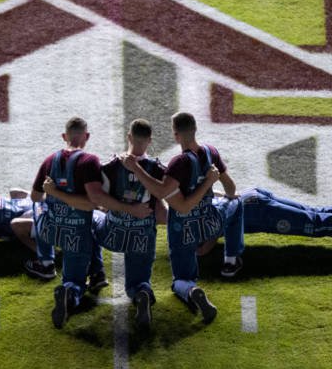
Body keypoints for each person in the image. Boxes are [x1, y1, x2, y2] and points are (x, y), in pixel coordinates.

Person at [122, 112, 243, 324]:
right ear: (195, 129)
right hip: (209, 220)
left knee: (181, 279)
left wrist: (136, 168)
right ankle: (231, 260)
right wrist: (217, 192)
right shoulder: (211, 152)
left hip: (183, 229)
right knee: (235, 204)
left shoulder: (179, 163)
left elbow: (162, 193)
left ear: (176, 135)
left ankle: (192, 290)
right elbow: (232, 189)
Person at [87, 119, 164, 331]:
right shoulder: (158, 170)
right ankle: (141, 293)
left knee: (88, 219)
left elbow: (97, 200)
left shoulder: (109, 167)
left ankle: (96, 273)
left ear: (128, 137)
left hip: (113, 234)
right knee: (137, 282)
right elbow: (161, 212)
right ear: (149, 141)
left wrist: (116, 207)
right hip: (142, 238)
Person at [29, 116, 106, 328]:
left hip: (50, 231)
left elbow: (35, 197)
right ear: (86, 136)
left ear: (64, 136)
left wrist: (51, 195)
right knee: (74, 280)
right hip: (75, 235)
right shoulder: (89, 161)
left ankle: (46, 261)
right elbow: (91, 203)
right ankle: (74, 290)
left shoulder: (49, 160)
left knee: (39, 206)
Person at [196, 187, 332, 255]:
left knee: (317, 224)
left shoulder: (192, 217)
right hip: (252, 195)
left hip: (259, 212)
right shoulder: (190, 196)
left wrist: (193, 249)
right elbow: (215, 192)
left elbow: (206, 246)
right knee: (316, 213)